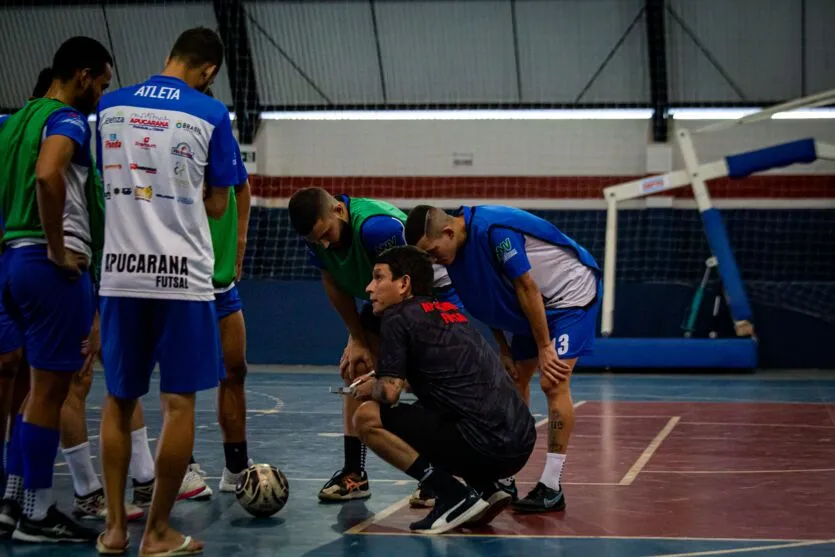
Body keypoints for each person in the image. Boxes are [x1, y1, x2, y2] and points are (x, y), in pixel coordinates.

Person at [95, 26, 238, 555]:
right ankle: (156, 533)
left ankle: (113, 530)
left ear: (168, 55)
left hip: (120, 274)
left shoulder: (109, 107)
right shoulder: (210, 113)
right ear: (209, 72)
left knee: (117, 397)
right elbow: (220, 204)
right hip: (182, 280)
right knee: (178, 405)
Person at [405, 204, 601, 514]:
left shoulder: (494, 230)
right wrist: (505, 350)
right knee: (513, 380)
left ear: (448, 231)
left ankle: (551, 486)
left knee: (553, 380)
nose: (432, 259)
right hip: (525, 306)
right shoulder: (453, 254)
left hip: (569, 297)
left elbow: (527, 286)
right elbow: (486, 303)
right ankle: (505, 475)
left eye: (431, 250)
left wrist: (544, 348)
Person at [0, 37, 112, 542]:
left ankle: (13, 499)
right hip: (47, 269)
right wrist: (57, 247)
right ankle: (39, 513)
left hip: (9, 262)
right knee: (50, 391)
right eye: (102, 84)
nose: (100, 95)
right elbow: (49, 175)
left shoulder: (11, 123)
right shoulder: (65, 120)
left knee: (28, 393)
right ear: (83, 76)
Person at [287, 187, 460, 505]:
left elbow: (413, 279)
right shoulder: (319, 237)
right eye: (317, 241)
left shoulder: (377, 228)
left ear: (338, 211)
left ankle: (440, 473)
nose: (325, 244)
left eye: (327, 234)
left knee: (426, 378)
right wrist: (357, 338)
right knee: (358, 367)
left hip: (427, 294)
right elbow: (335, 286)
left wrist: (403, 351)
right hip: (385, 298)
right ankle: (354, 474)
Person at [351, 246, 536, 534]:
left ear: (403, 284)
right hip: (521, 443)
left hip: (488, 446)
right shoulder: (449, 312)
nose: (369, 287)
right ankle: (485, 489)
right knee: (435, 408)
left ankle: (450, 494)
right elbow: (447, 379)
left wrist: (369, 388)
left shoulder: (396, 317)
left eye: (378, 278)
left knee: (366, 417)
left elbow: (388, 393)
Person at [181, 87, 253, 500]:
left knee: (235, 370)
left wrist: (240, 241)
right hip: (183, 282)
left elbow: (242, 187)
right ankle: (184, 466)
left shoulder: (223, 145)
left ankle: (236, 467)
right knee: (184, 379)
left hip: (222, 283)